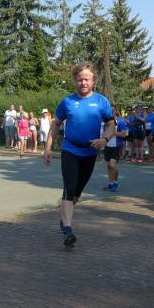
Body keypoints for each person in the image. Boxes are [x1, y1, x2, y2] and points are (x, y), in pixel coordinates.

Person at [44, 62, 114, 247]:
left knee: (76, 193)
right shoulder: (67, 102)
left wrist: (104, 139)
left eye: (87, 79)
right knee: (69, 188)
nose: (83, 82)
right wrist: (48, 148)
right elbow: (55, 124)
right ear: (75, 80)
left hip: (90, 153)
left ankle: (64, 217)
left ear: (93, 81)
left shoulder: (102, 102)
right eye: (80, 79)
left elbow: (111, 125)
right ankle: (68, 229)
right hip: (70, 150)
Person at [103, 106, 128, 191]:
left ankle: (116, 182)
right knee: (108, 166)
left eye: (113, 110)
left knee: (112, 165)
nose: (111, 112)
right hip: (107, 146)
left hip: (117, 146)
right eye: (110, 111)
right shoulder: (106, 122)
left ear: (116, 111)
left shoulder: (120, 121)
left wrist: (113, 133)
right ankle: (111, 183)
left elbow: (124, 134)